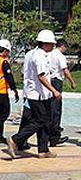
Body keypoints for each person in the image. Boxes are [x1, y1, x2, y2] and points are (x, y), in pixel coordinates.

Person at [7, 30, 62, 159]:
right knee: (41, 121)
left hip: (37, 93)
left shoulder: (31, 54)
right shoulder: (40, 56)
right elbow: (41, 76)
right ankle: (16, 140)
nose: (53, 46)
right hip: (37, 95)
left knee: (44, 121)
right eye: (51, 44)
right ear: (45, 44)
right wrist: (54, 90)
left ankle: (43, 150)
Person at [48, 38, 76, 147]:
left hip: (49, 81)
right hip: (56, 81)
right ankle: (55, 136)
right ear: (62, 46)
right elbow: (65, 70)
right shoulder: (60, 56)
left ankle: (49, 134)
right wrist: (72, 82)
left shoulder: (49, 54)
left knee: (49, 109)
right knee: (56, 109)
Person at [0, 39, 19, 145]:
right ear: (5, 50)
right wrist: (14, 89)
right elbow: (9, 77)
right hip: (2, 92)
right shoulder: (4, 62)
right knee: (4, 114)